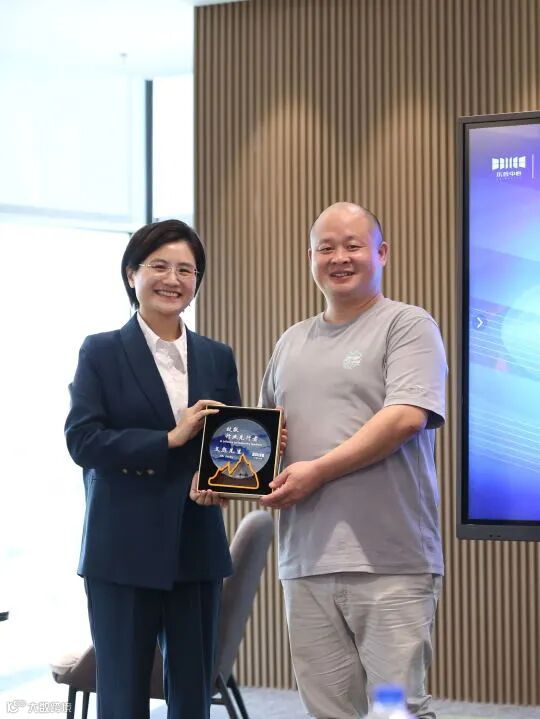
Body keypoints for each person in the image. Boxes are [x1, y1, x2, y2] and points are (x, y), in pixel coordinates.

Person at [259, 202, 447, 719]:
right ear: (311, 258)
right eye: (326, 248)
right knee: (329, 710)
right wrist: (223, 478)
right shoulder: (290, 342)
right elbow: (265, 440)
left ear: (381, 254)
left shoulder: (408, 325)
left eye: (353, 246)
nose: (339, 258)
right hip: (305, 561)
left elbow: (405, 417)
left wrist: (318, 471)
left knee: (394, 710)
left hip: (390, 564)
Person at [65, 219, 239, 719]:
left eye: (186, 270)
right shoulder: (100, 351)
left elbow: (227, 445)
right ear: (131, 274)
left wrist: (229, 478)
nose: (173, 279)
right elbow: (83, 440)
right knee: (122, 696)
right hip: (122, 547)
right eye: (159, 266)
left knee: (192, 697)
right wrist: (168, 439)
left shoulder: (217, 356)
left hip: (196, 544)